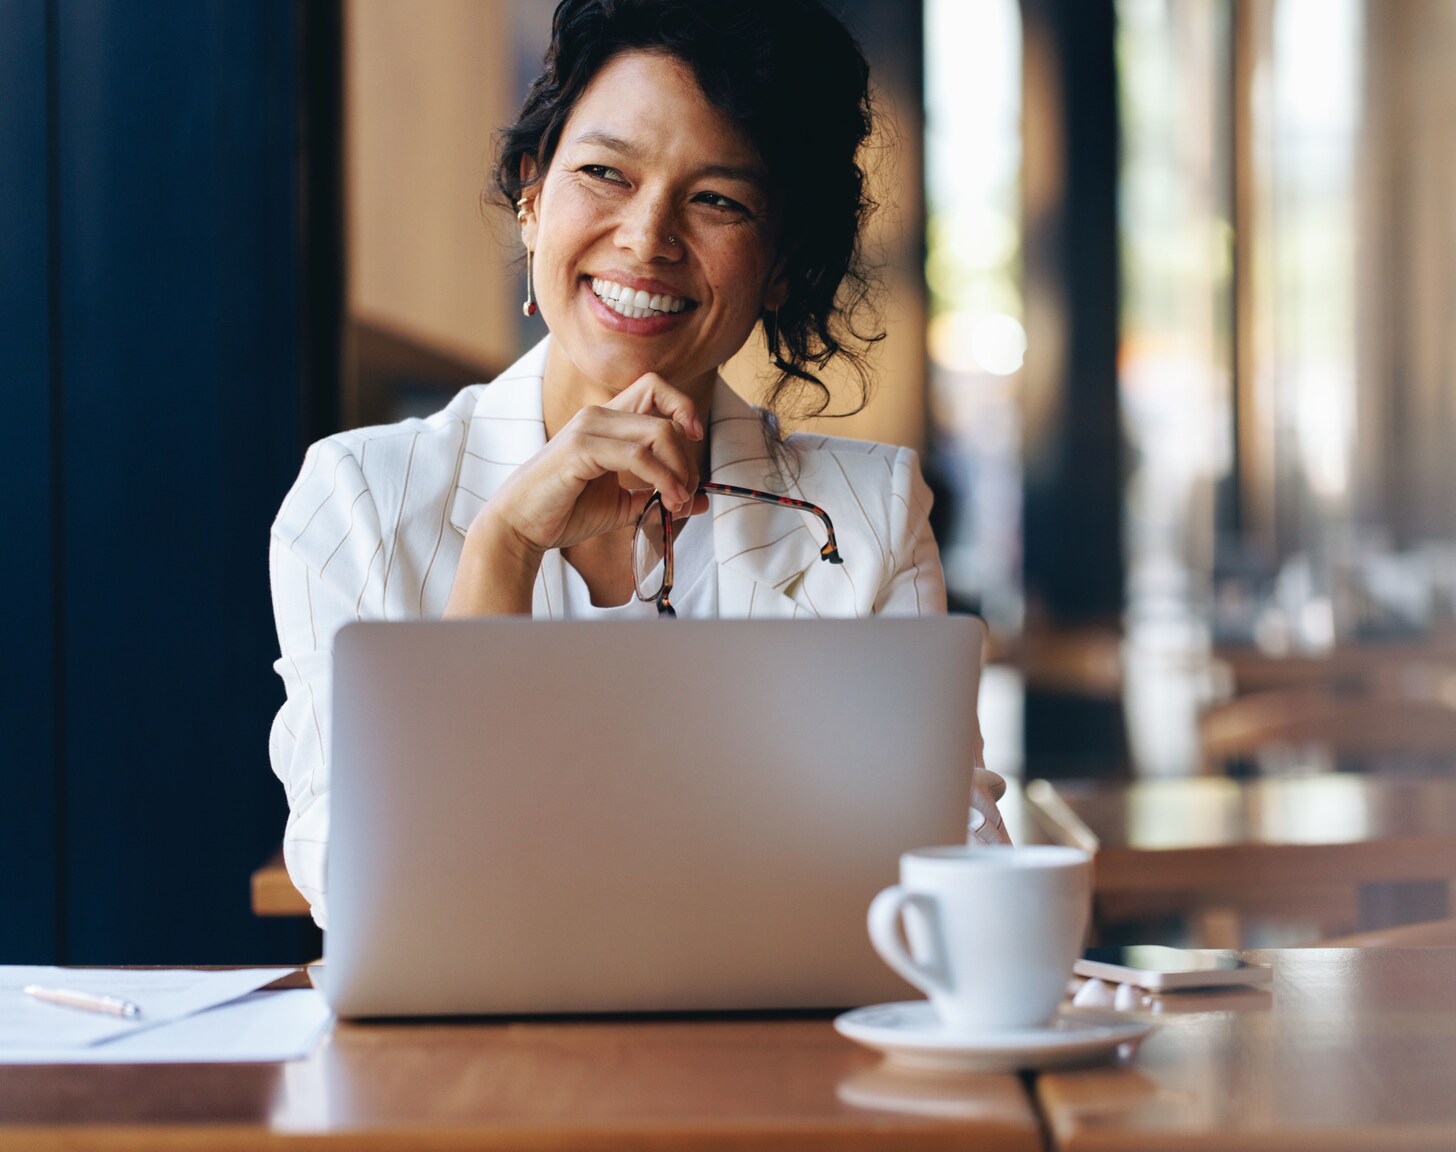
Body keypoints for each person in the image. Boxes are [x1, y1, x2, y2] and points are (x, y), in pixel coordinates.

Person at [268, 0, 1007, 928]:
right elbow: (365, 887)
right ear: (532, 199)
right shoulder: (357, 503)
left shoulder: (869, 515)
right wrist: (503, 546)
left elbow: (960, 873)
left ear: (781, 264)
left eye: (717, 200)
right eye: (605, 175)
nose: (648, 238)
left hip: (780, 1060)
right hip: (476, 1069)